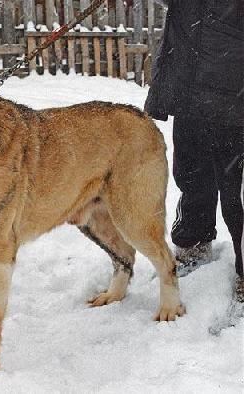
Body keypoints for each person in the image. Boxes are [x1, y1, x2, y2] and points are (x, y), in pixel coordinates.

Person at [144, 0, 244, 301]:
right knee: (190, 174)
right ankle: (193, 241)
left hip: (232, 86)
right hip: (188, 78)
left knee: (235, 190)